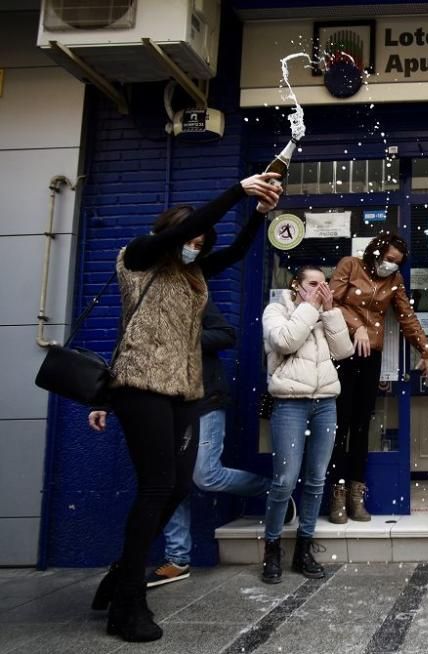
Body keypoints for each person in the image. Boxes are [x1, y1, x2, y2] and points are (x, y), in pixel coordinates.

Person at [88, 174, 281, 642]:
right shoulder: (139, 255)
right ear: (172, 233)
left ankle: (123, 571)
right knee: (156, 486)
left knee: (176, 486)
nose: (195, 246)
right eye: (190, 239)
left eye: (200, 242)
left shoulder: (192, 273)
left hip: (183, 389)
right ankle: (128, 606)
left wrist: (259, 218)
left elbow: (233, 254)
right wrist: (240, 190)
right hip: (141, 384)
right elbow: (177, 236)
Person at [87, 298, 283, 588]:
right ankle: (177, 558)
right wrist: (103, 401)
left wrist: (179, 335)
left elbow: (226, 334)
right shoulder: (136, 304)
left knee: (205, 474)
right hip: (159, 405)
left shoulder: (193, 298)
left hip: (203, 401)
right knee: (166, 480)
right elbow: (122, 357)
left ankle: (273, 490)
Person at [328, 232, 428, 523]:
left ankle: (355, 494)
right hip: (341, 354)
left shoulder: (394, 281)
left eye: (396, 263)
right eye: (388, 259)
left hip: (370, 356)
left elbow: (406, 316)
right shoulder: (350, 265)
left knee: (362, 427)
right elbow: (330, 302)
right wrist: (355, 326)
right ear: (376, 252)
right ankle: (335, 494)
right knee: (339, 425)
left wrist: (425, 350)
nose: (391, 266)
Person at [260, 266, 354, 584]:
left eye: (324, 284)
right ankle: (271, 548)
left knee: (315, 479)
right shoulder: (277, 310)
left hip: (326, 403)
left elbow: (344, 351)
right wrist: (309, 308)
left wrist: (329, 313)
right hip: (290, 404)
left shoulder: (324, 312)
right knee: (285, 480)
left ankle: (304, 548)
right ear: (296, 286)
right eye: (313, 284)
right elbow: (285, 342)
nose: (320, 288)